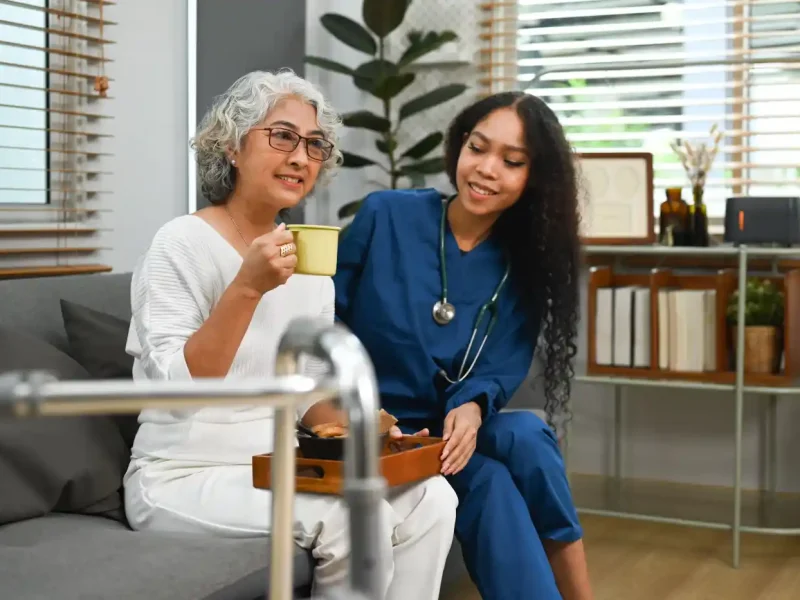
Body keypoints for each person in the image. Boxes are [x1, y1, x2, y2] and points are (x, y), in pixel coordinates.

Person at [122, 69, 457, 600]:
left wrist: (368, 432)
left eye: (316, 145)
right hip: (184, 474)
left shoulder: (308, 262)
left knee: (433, 497)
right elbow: (177, 389)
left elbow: (309, 400)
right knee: (355, 516)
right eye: (282, 136)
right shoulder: (179, 243)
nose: (302, 157)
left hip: (279, 466)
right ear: (231, 146)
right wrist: (246, 288)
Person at [333, 91, 594, 599]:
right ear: (459, 146)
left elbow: (498, 367)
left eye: (512, 161)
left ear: (532, 178)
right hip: (379, 426)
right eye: (478, 148)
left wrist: (473, 407)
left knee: (527, 439)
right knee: (495, 481)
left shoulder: (526, 265)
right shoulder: (385, 216)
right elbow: (324, 317)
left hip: (453, 430)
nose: (487, 169)